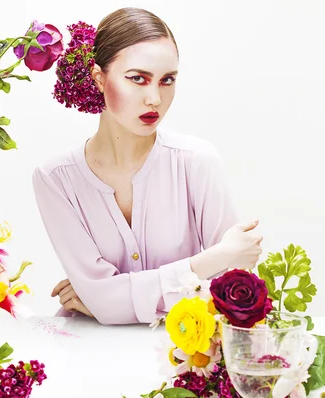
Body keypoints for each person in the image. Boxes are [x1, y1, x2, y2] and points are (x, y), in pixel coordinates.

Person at [32, 7, 263, 325]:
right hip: (88, 352)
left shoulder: (197, 162)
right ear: (99, 78)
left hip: (187, 358)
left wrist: (111, 300)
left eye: (167, 80)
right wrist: (215, 259)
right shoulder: (55, 180)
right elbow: (223, 267)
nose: (155, 98)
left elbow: (232, 294)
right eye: (137, 79)